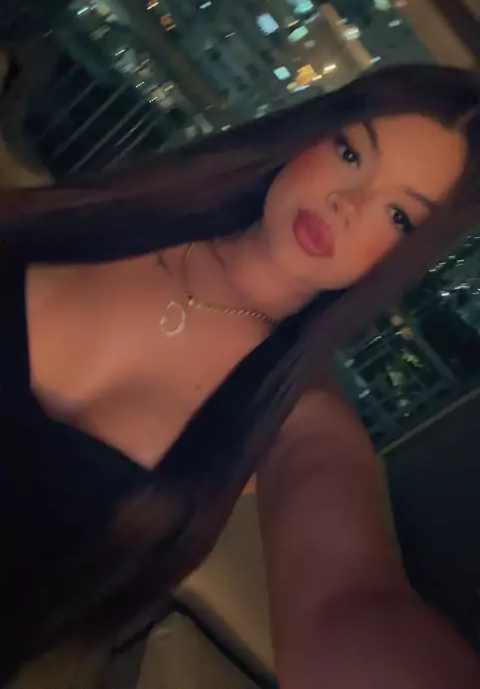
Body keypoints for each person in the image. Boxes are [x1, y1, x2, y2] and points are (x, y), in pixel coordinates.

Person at [1, 64, 480, 686]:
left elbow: (346, 608)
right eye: (350, 153)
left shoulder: (292, 418)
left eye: (398, 217)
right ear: (309, 135)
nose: (347, 204)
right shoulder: (120, 212)